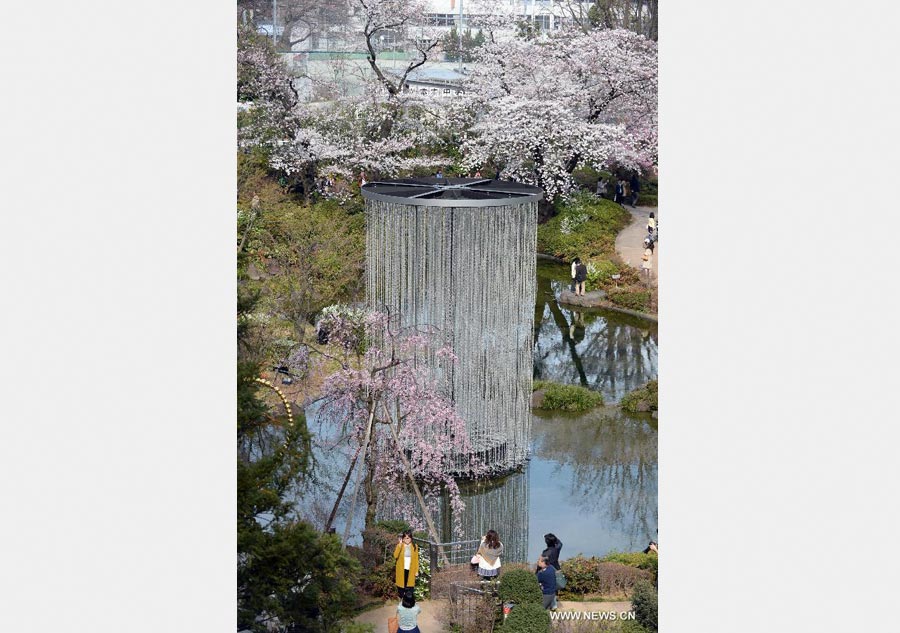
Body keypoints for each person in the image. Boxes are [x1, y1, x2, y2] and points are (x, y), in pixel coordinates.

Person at [393, 530, 419, 599]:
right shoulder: (400, 546)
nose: (406, 539)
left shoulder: (415, 546)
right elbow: (395, 556)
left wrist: (416, 570)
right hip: (401, 569)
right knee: (401, 586)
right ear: (402, 538)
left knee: (410, 586)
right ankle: (402, 600)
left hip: (411, 569)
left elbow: (416, 559)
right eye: (405, 538)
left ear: (411, 538)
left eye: (408, 538)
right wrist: (399, 545)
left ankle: (408, 601)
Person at [541, 534, 563, 608]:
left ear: (546, 542)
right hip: (557, 569)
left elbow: (541, 563)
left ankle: (553, 605)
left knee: (548, 588)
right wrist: (554, 538)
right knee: (554, 587)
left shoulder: (545, 552)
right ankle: (553, 604)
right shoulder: (556, 549)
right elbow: (560, 543)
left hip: (549, 570)